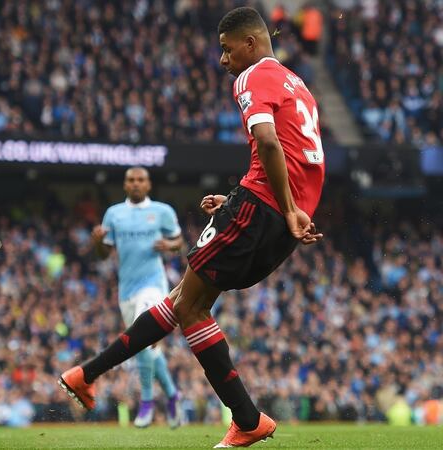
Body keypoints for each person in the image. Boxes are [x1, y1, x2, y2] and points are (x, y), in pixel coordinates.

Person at [58, 7, 325, 448]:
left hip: (269, 206)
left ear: (251, 44)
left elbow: (268, 142)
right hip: (274, 214)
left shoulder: (251, 77)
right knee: (184, 300)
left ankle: (246, 418)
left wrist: (274, 205)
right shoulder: (298, 85)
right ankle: (86, 374)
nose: (223, 60)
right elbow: (292, 154)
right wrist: (257, 205)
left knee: (190, 307)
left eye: (226, 49)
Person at [89, 167, 183, 428]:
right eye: (131, 180)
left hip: (154, 285)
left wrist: (169, 246)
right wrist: (97, 241)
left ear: (148, 185)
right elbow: (103, 255)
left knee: (143, 341)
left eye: (140, 180)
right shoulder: (114, 214)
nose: (136, 184)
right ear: (125, 185)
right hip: (126, 290)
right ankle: (173, 395)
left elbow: (179, 241)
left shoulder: (162, 211)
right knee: (149, 348)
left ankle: (147, 403)